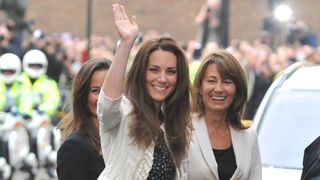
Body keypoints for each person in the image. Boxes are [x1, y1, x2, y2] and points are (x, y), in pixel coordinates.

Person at [97, 4, 191, 180]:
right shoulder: (124, 113)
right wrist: (125, 45)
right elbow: (108, 104)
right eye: (154, 70)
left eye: (170, 71)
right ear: (141, 72)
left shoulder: (173, 124)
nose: (162, 79)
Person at [188, 50, 262, 180]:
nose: (219, 89)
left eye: (227, 82)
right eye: (211, 81)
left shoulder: (249, 137)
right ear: (200, 87)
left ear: (237, 90)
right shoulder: (183, 131)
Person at [56, 57, 111, 180]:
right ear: (82, 97)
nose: (103, 98)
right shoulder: (74, 147)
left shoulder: (126, 139)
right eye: (96, 91)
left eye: (109, 89)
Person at [20, 49, 61, 117]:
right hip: (18, 118)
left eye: (38, 65)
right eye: (32, 65)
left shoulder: (49, 83)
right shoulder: (18, 80)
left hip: (41, 118)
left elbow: (53, 101)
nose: (35, 68)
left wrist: (41, 109)